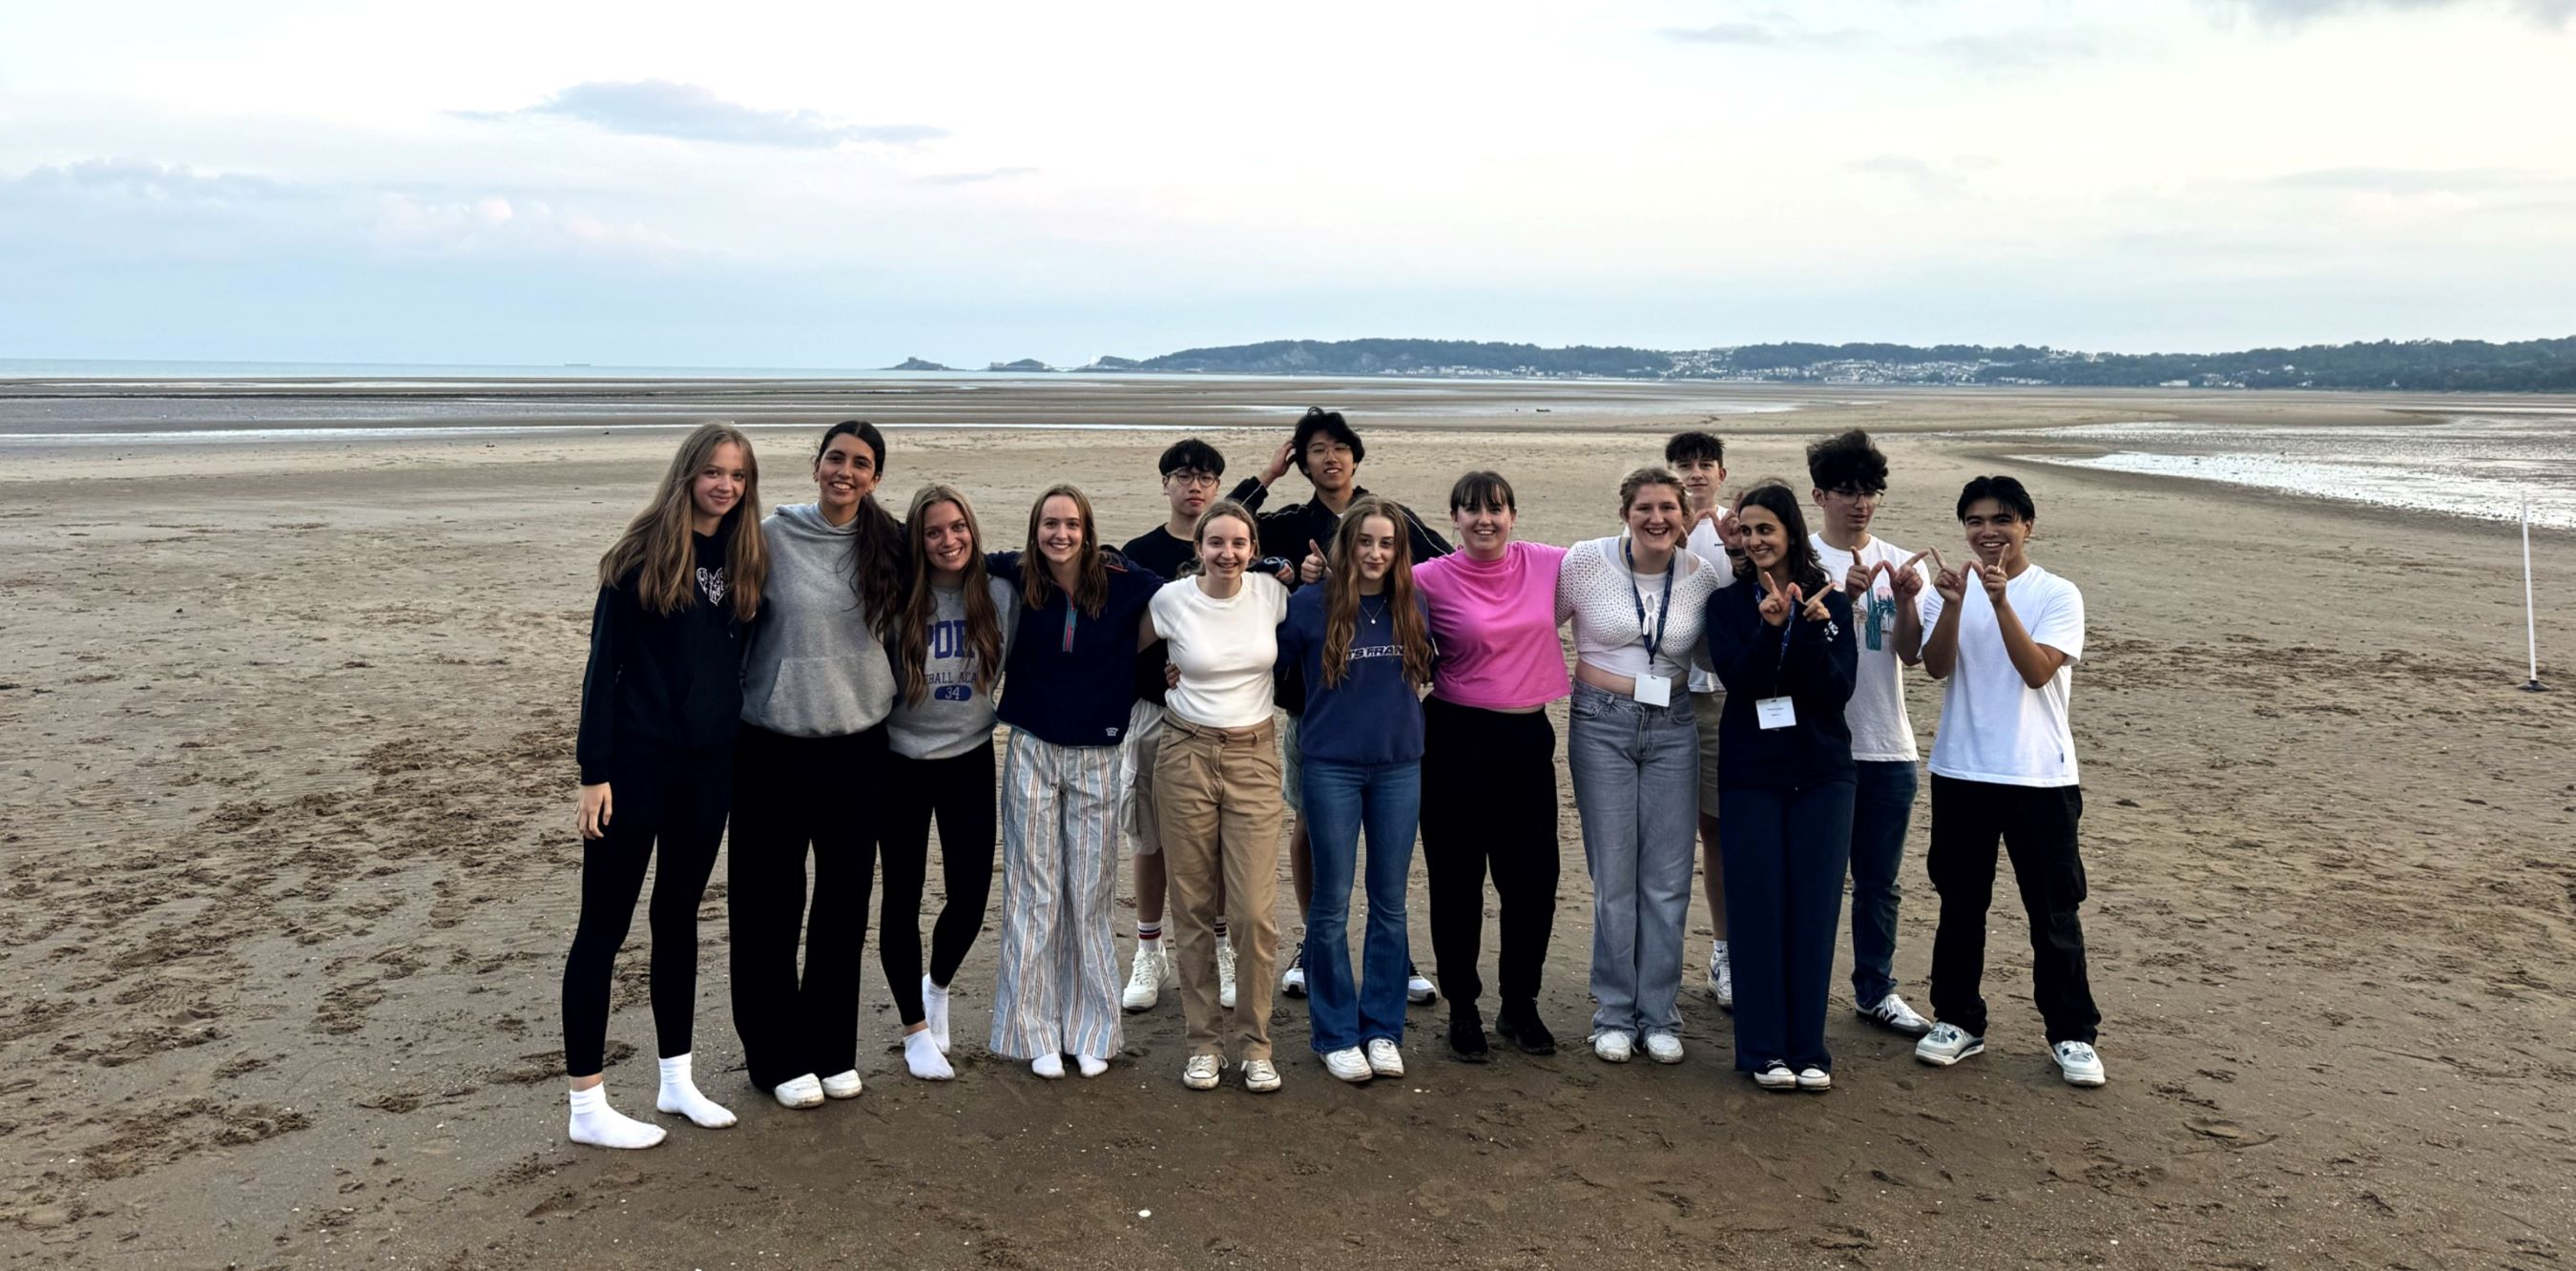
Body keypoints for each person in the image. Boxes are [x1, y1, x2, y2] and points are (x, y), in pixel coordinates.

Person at [562, 422, 766, 1149]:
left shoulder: (746, 558)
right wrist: (595, 773)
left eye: (738, 476)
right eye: (714, 472)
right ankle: (587, 1106)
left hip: (708, 768)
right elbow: (601, 671)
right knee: (603, 928)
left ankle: (676, 1081)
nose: (726, 486)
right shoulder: (640, 555)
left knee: (678, 918)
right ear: (688, 474)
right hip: (635, 767)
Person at [1234, 407, 1447, 1005]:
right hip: (1316, 704)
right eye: (1316, 450)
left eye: (1339, 448)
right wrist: (1266, 479)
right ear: (1302, 462)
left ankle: (1394, 955)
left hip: (1384, 703)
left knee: (1388, 849)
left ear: (1356, 456)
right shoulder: (1287, 522)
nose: (1330, 458)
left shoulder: (1389, 518)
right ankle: (1313, 942)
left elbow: (1445, 564)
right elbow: (1219, 534)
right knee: (1310, 823)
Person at [729, 420, 905, 1109]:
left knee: (842, 905)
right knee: (768, 905)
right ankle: (773, 1055)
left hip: (859, 744)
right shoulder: (770, 537)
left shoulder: (888, 544)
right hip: (772, 743)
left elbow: (959, 568)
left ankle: (831, 1048)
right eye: (836, 458)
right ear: (815, 465)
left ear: (876, 477)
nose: (846, 471)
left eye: (861, 464)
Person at [1912, 475, 2105, 1088]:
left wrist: (1998, 603)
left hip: (2040, 776)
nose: (1987, 532)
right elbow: (1936, 666)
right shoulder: (1954, 589)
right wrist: (1952, 603)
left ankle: (2071, 1032)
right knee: (1961, 902)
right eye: (1974, 521)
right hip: (1961, 768)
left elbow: (2036, 672)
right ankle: (1957, 1019)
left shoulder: (2057, 593)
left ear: (2028, 526)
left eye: (2001, 520)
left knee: (2052, 909)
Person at [987, 485, 1163, 1079]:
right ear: (1034, 529)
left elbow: (1190, 587)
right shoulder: (1016, 576)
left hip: (1099, 753)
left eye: (1071, 525)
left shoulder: (1125, 584)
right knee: (1032, 896)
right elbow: (953, 557)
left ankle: (1091, 1030)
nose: (1059, 535)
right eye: (1049, 524)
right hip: (1032, 748)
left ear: (1088, 531)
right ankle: (1032, 1031)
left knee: (1087, 896)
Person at [1557, 468, 1729, 1065]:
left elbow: (1716, 653)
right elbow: (1534, 619)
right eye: (1645, 507)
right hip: (1600, 723)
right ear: (1625, 512)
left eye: (1668, 509)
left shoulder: (1703, 577)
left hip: (1675, 727)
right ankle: (1613, 1011)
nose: (1657, 519)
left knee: (1666, 880)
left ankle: (1658, 1013)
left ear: (1685, 516)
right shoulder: (1584, 561)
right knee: (1615, 877)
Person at [1703, 482, 1858, 1093]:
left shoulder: (1833, 602)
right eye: (1746, 530)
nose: (1755, 540)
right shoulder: (1726, 604)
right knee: (1758, 906)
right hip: (1751, 773)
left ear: (1791, 531)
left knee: (1814, 909)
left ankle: (1808, 1048)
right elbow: (1741, 682)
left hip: (1823, 773)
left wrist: (1815, 630)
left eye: (1766, 528)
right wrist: (1770, 629)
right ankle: (1763, 1048)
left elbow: (1835, 692)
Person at [1276, 498, 1437, 1083]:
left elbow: (1432, 670)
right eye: (1365, 541)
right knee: (1331, 905)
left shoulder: (1412, 601)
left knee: (1390, 904)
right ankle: (1335, 1032)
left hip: (1399, 766)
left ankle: (1383, 1029)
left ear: (1399, 551)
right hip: (1330, 767)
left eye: (1387, 544)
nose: (1375, 553)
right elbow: (1266, 669)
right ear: (1347, 545)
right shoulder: (1309, 605)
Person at [1412, 470, 1567, 1062]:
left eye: (1496, 509)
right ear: (1453, 518)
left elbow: (1626, 559)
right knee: (1457, 884)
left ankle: (1519, 1005)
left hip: (1528, 737)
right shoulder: (1427, 578)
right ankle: (1463, 1009)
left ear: (1513, 515)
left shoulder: (1550, 563)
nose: (1485, 520)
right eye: (1471, 510)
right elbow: (1367, 593)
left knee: (1532, 882)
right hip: (1455, 738)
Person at [1152, 500, 1295, 1093]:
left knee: (1254, 914)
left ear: (1252, 547)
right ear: (1199, 548)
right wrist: (1158, 677)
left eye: (1239, 543)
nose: (1227, 553)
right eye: (1216, 542)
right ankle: (1204, 1043)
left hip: (1255, 755)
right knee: (1190, 906)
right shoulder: (1171, 601)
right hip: (1184, 752)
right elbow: (1126, 651)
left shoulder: (1271, 594)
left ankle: (1256, 1045)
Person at [880, 485, 1014, 1082]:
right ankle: (914, 1029)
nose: (948, 540)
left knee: (969, 895)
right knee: (902, 896)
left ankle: (937, 985)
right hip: (899, 761)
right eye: (933, 532)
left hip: (969, 757)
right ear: (917, 540)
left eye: (957, 527)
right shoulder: (893, 601)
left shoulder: (1000, 595)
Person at [1804, 430, 1936, 1036]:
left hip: (1889, 743)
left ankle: (1875, 989)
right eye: (1848, 492)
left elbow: (1909, 654)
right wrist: (1834, 597)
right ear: (1820, 494)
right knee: (1816, 878)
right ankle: (1800, 984)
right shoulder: (1799, 561)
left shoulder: (1900, 561)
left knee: (1879, 882)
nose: (1860, 504)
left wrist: (1907, 601)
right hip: (1820, 747)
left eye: (1871, 492)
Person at [1116, 438, 1236, 1015]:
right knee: (1150, 837)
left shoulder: (1231, 547)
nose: (1195, 486)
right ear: (1165, 483)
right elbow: (1121, 635)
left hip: (1216, 717)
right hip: (1152, 713)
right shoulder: (1138, 553)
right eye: (1184, 475)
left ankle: (1219, 945)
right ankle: (1148, 948)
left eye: (1206, 477)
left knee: (1213, 839)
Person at [1666, 429, 1740, 1008]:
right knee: (1661, 833)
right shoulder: (1652, 526)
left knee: (1716, 828)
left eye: (1704, 465)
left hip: (1716, 696)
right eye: (1684, 465)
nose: (1694, 474)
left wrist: (1733, 546)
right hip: (1659, 694)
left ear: (1720, 474)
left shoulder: (1735, 530)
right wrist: (1676, 540)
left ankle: (1723, 951)